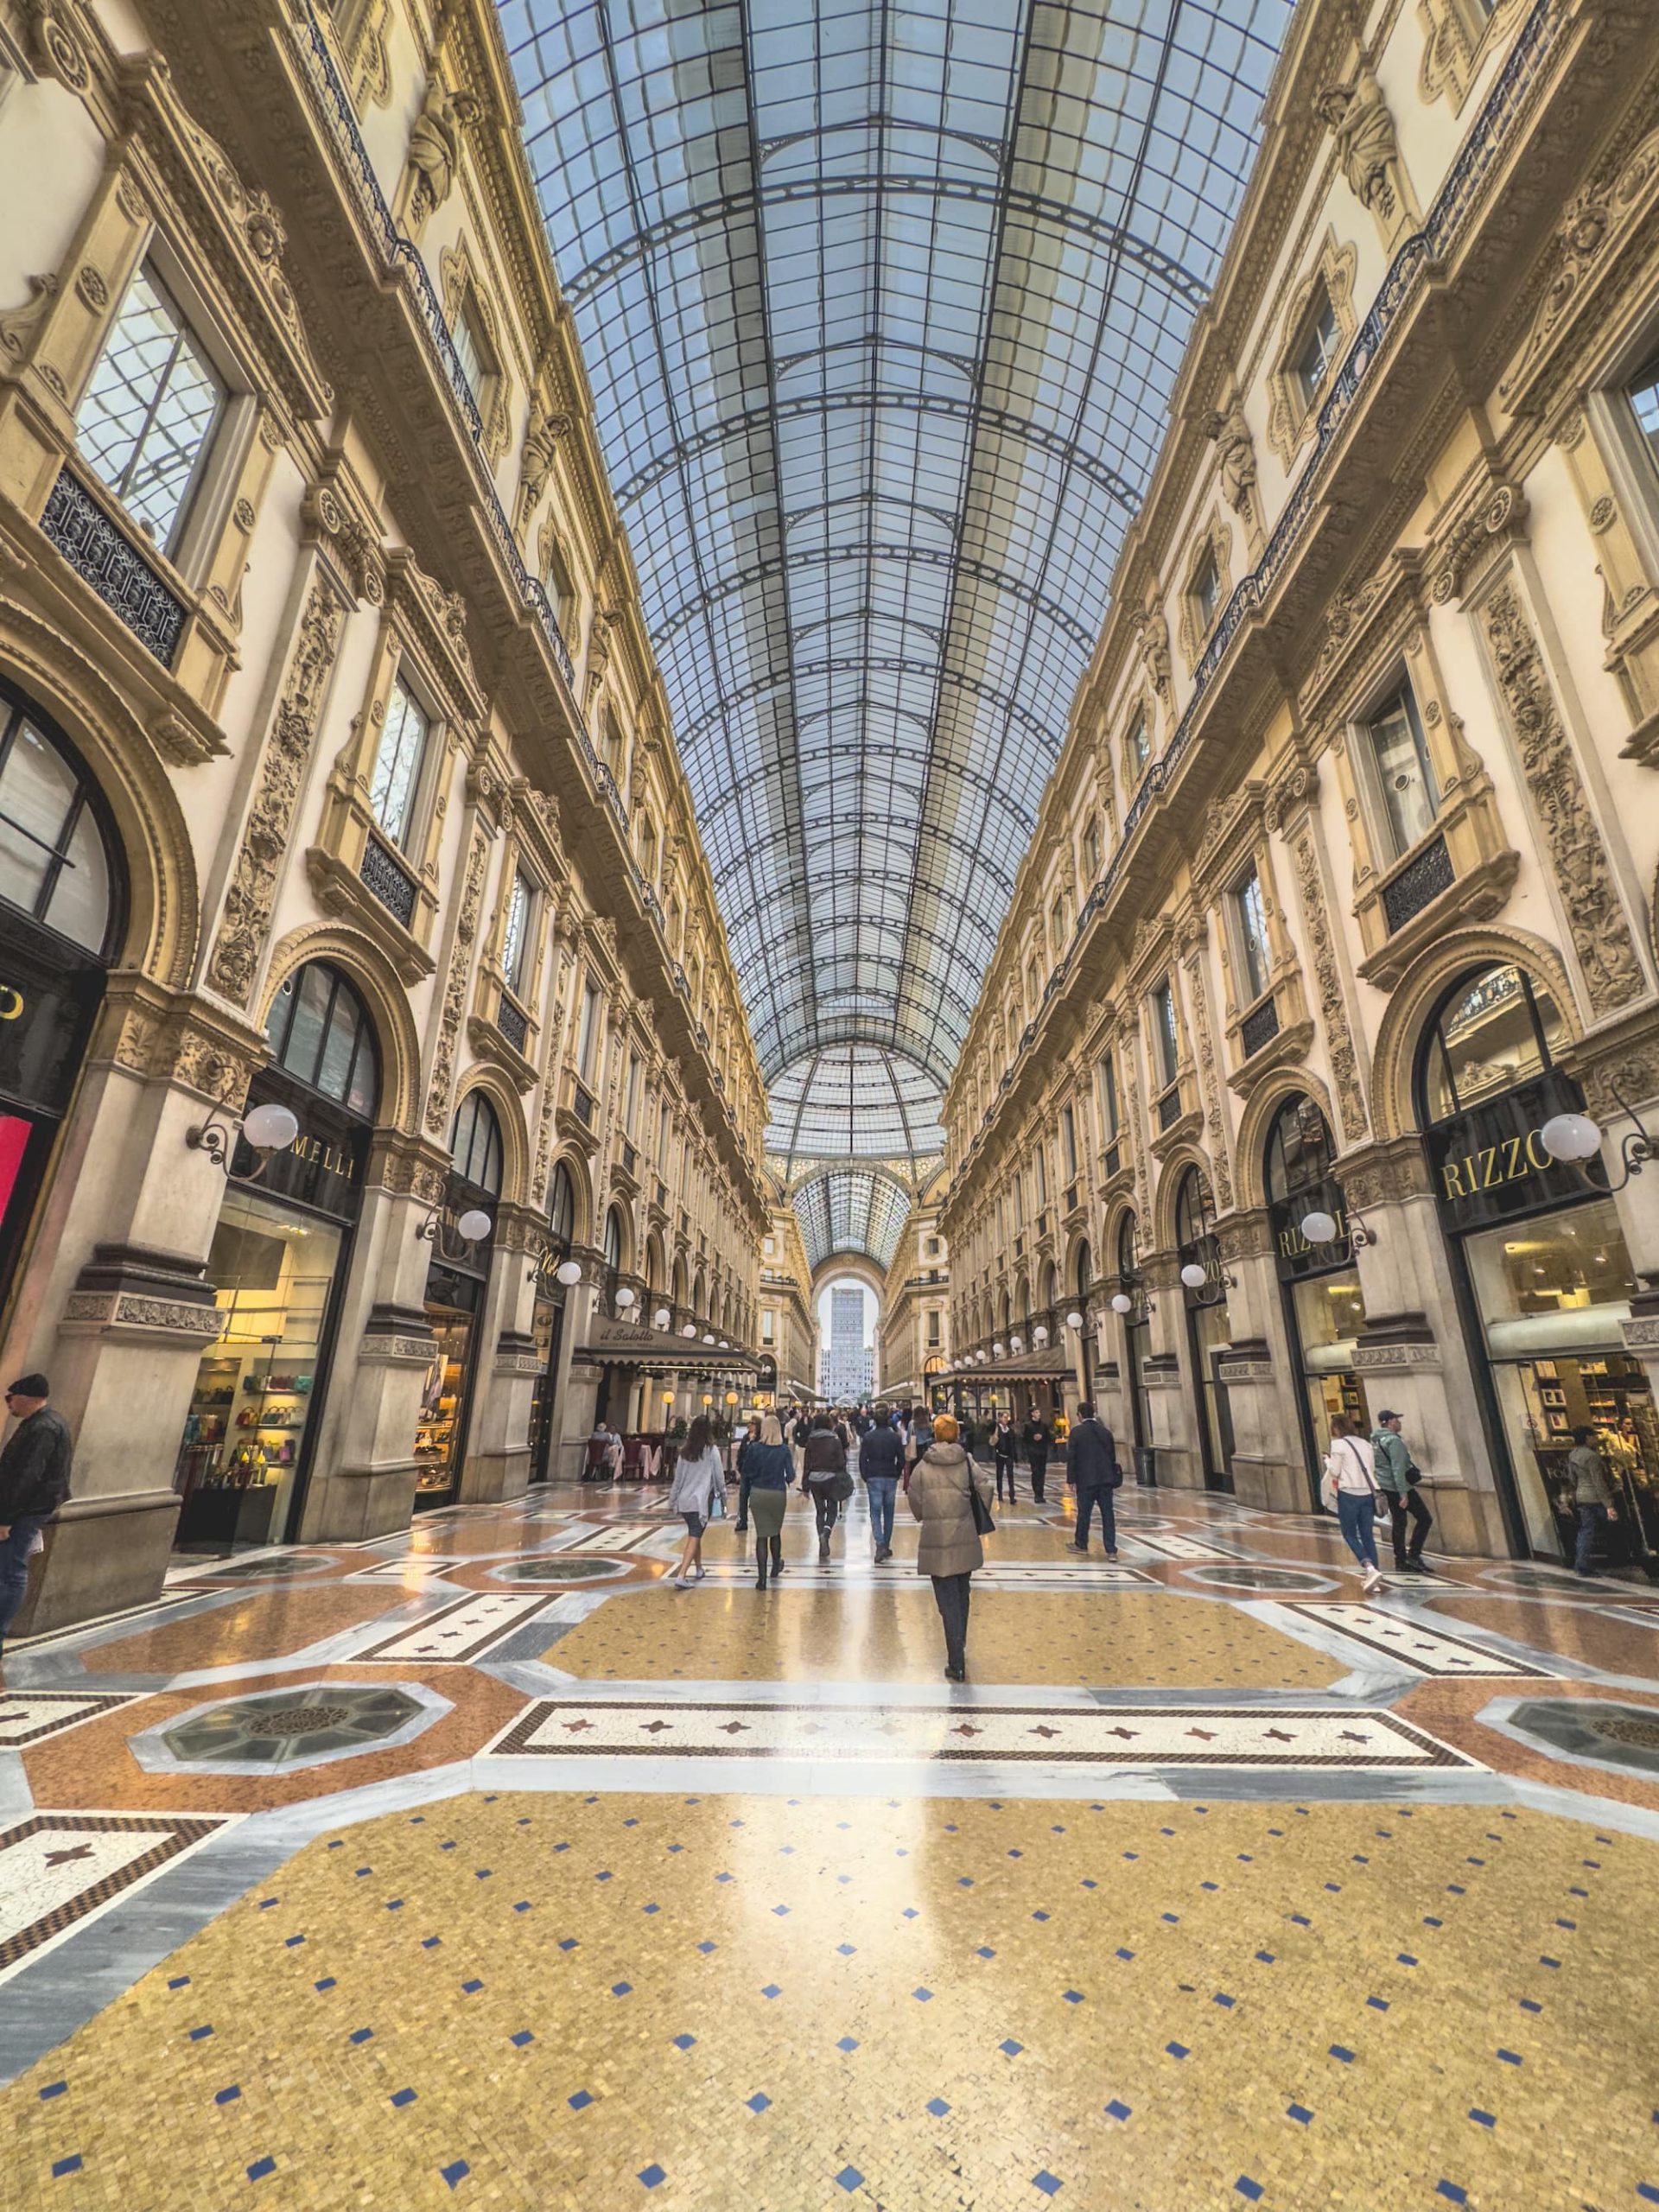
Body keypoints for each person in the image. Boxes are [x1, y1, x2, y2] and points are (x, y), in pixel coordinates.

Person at [907, 1413, 995, 1682]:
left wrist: (927, 1513)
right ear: (956, 1434)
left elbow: (915, 1498)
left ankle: (955, 1659)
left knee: (946, 1601)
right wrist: (972, 1512)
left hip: (936, 1538)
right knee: (961, 1593)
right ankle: (959, 1646)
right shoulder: (966, 1460)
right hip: (964, 1535)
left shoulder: (925, 1463)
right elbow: (986, 1488)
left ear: (935, 1434)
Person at [0, 1373, 73, 1662]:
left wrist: (6, 1518)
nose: (8, 1404)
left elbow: (26, 1476)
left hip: (25, 1510)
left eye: (11, 1398)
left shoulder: (42, 1428)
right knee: (9, 1568)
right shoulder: (43, 1423)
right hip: (30, 1507)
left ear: (27, 1398)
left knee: (11, 1570)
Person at [1324, 1413, 1384, 1592]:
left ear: (1336, 1428)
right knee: (1367, 1535)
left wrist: (1327, 1461)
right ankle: (1375, 1581)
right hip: (1367, 1493)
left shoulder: (1338, 1444)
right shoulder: (1365, 1444)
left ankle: (1369, 1568)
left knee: (1349, 1533)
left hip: (1349, 1494)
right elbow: (1371, 1468)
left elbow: (1335, 1471)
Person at [666, 1416, 724, 1588]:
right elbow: (719, 1477)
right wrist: (724, 1496)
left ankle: (699, 1568)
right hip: (701, 1502)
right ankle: (682, 1574)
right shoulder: (712, 1451)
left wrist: (672, 1500)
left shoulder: (684, 1451)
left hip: (685, 1501)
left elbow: (678, 1479)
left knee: (695, 1533)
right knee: (694, 1535)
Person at [1372, 1409, 1432, 1574]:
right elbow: (1398, 1469)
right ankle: (1413, 1555)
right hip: (1399, 1487)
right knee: (1425, 1518)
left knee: (1399, 1522)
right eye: (1397, 1420)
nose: (1400, 1423)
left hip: (1386, 1486)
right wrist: (1403, 1493)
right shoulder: (1393, 1441)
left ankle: (1401, 1559)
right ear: (1391, 1422)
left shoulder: (1376, 1441)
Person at [1065, 1400, 1121, 1558]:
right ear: (1094, 1414)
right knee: (1108, 1515)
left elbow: (1072, 1457)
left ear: (1080, 1415)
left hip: (1086, 1480)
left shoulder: (1076, 1432)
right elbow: (1112, 1456)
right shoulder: (1105, 1432)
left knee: (1084, 1513)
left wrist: (1071, 1479)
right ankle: (1111, 1550)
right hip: (1105, 1480)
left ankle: (1081, 1544)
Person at [745, 1414, 794, 1588]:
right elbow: (791, 1475)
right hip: (777, 1494)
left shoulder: (755, 1448)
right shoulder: (784, 1450)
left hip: (758, 1493)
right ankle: (775, 1567)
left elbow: (747, 1472)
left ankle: (762, 1579)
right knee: (775, 1531)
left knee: (761, 1535)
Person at [1567, 1424, 1618, 1577]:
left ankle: (1581, 1564)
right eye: (1593, 1436)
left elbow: (1572, 1478)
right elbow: (1599, 1482)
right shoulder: (1592, 1457)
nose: (1596, 1439)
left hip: (1581, 1495)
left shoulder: (1573, 1455)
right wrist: (1608, 1504)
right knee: (1613, 1526)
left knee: (1586, 1531)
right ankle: (1617, 1557)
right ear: (1587, 1437)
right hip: (1595, 1498)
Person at [859, 1403, 906, 1562]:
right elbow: (901, 1459)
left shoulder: (868, 1437)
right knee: (889, 1512)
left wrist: (865, 1475)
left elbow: (862, 1458)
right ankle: (885, 1544)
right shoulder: (895, 1437)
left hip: (873, 1475)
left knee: (875, 1512)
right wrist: (897, 1473)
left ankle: (879, 1543)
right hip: (890, 1475)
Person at [801, 1411, 849, 1562]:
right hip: (831, 1479)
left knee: (820, 1510)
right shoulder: (835, 1440)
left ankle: (822, 1536)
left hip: (814, 1479)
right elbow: (841, 1462)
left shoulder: (811, 1440)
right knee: (832, 1509)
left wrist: (805, 1485)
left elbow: (807, 1464)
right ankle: (826, 1534)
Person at [1022, 1412, 1052, 1503]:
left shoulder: (1044, 1425)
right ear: (1032, 1414)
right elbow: (1024, 1439)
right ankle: (1037, 1494)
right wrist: (1032, 1438)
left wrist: (1042, 1437)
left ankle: (1041, 1494)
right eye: (1037, 1412)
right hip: (1033, 1452)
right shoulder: (1028, 1426)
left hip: (1042, 1452)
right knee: (1035, 1472)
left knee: (1042, 1473)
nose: (1039, 1414)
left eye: (1039, 1412)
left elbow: (1049, 1437)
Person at [993, 1414, 1019, 1503]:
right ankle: (1000, 1494)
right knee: (999, 1475)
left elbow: (1013, 1445)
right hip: (999, 1455)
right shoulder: (997, 1429)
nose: (1006, 1419)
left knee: (1010, 1476)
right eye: (1004, 1417)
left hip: (1009, 1456)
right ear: (1000, 1419)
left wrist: (1016, 1458)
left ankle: (1012, 1496)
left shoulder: (1010, 1431)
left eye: (1007, 1417)